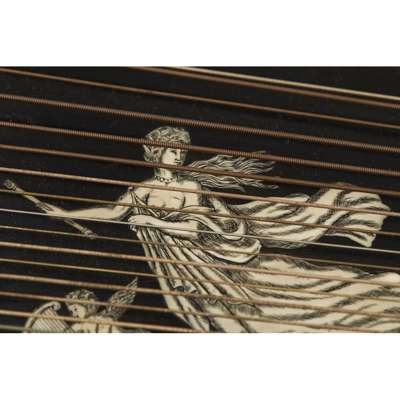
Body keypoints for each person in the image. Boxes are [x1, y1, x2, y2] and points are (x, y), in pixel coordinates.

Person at [42, 126, 400, 332]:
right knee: (207, 314)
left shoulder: (190, 187)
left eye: (181, 150)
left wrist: (152, 221)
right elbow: (112, 212)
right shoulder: (141, 190)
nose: (179, 155)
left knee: (250, 305)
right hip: (178, 267)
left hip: (209, 261)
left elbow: (197, 227)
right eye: (171, 150)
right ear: (155, 154)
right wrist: (65, 212)